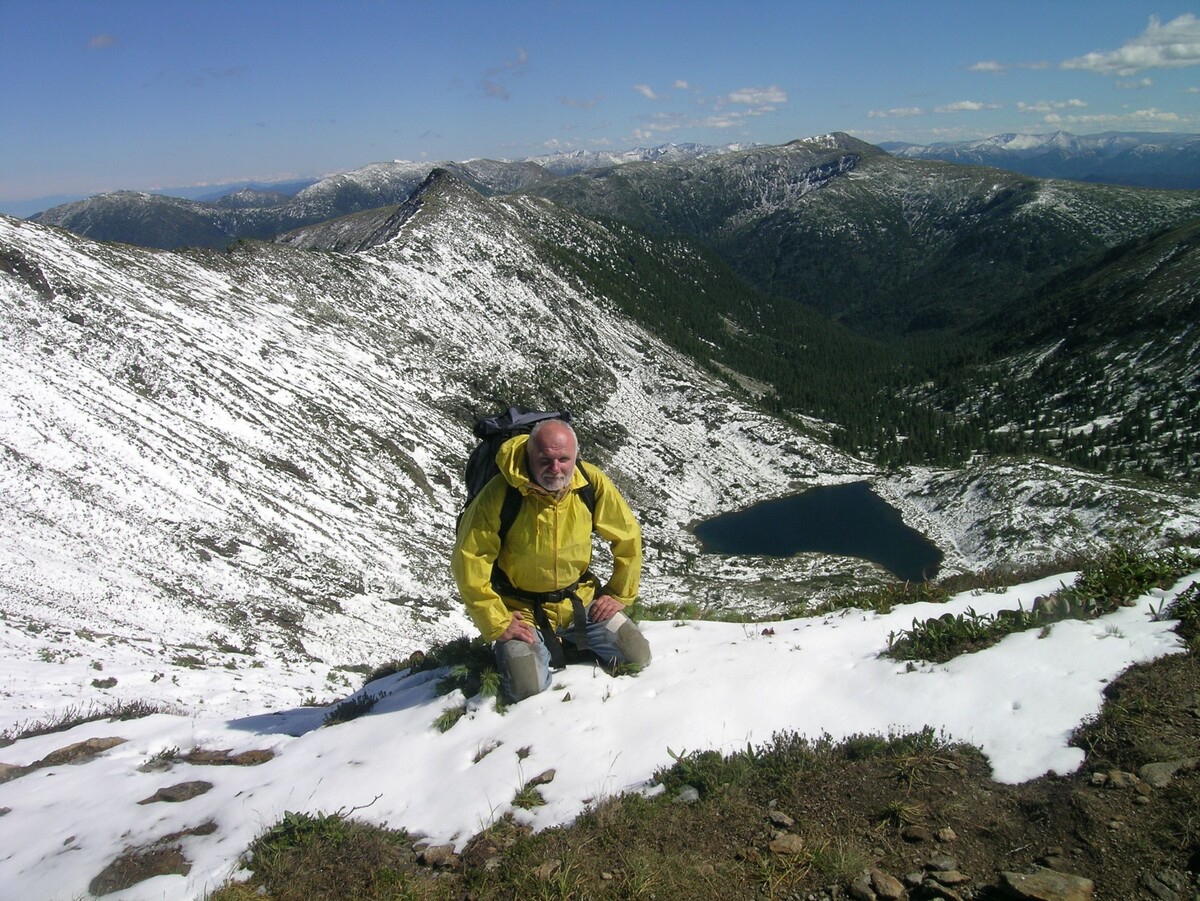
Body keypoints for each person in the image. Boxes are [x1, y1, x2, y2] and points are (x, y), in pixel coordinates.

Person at [451, 419, 651, 702]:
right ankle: (542, 646)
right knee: (527, 687)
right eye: (544, 459)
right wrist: (497, 622)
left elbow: (628, 536)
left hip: (579, 602)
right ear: (529, 457)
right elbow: (469, 559)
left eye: (563, 459)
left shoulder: (589, 483)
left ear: (575, 457)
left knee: (637, 656)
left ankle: (561, 641)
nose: (555, 468)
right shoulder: (501, 492)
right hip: (523, 611)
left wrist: (620, 592)